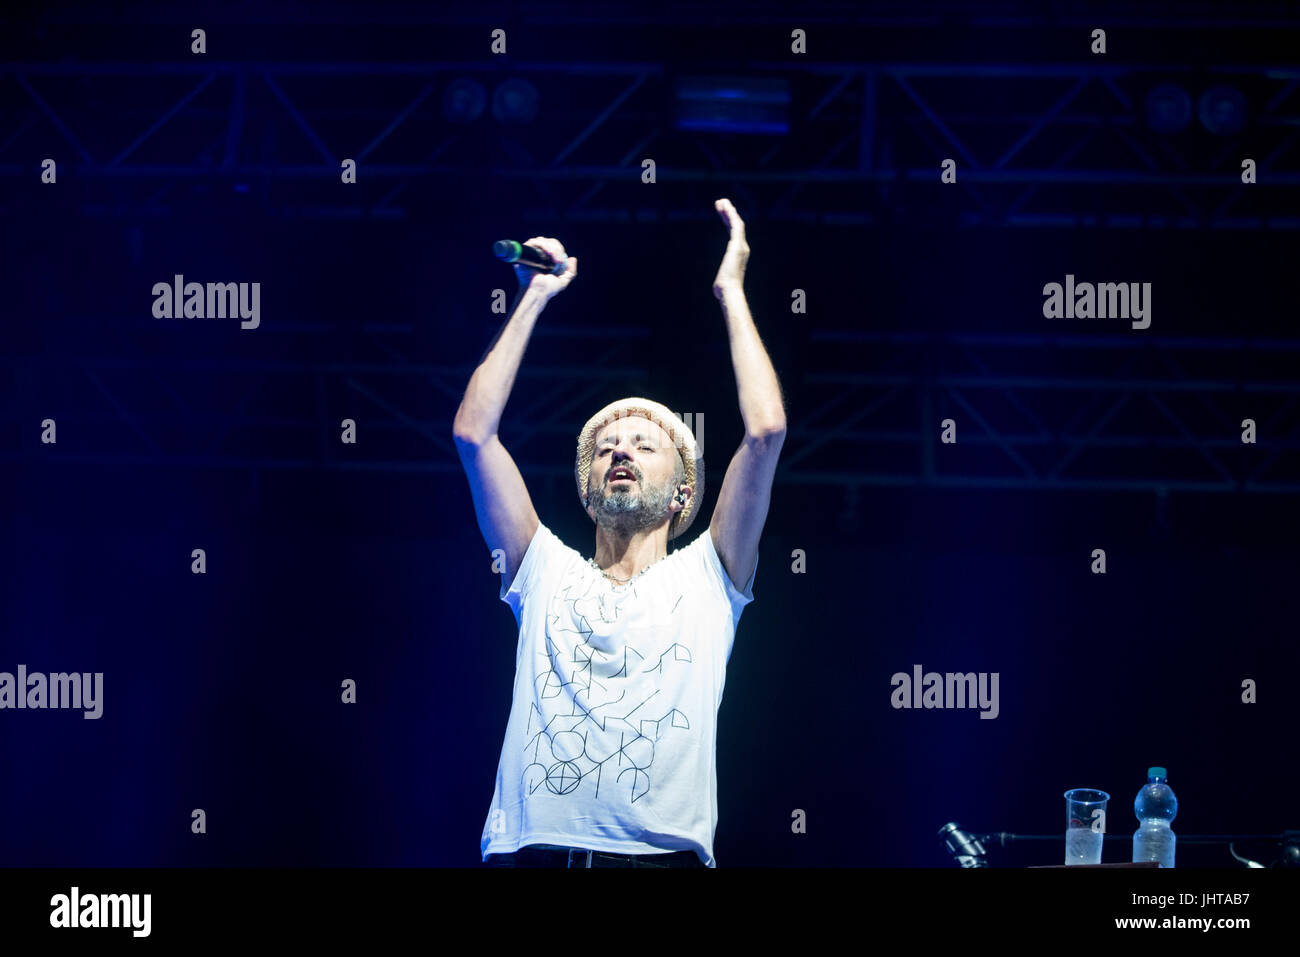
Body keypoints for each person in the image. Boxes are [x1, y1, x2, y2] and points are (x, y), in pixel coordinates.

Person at [453, 199, 785, 868]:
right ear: (587, 488)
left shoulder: (709, 576)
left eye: (644, 443)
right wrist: (534, 299)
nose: (621, 451)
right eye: (606, 446)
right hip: (532, 853)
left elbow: (766, 430)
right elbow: (472, 433)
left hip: (658, 859)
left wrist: (731, 293)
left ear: (684, 492)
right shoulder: (544, 569)